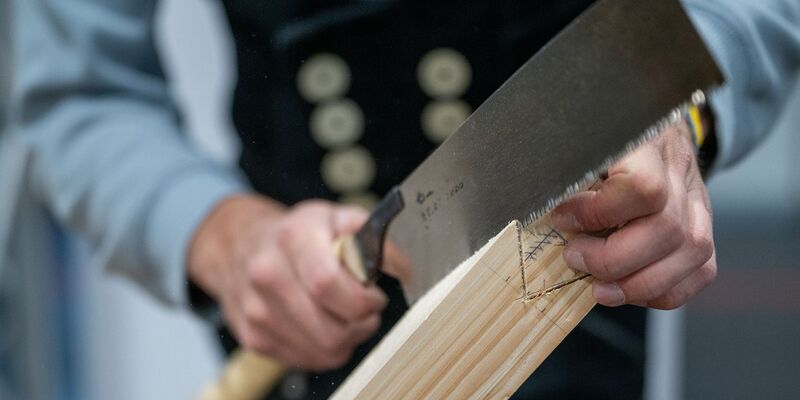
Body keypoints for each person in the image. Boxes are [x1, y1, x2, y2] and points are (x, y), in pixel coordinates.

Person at [1, 0, 798, 398]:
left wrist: (678, 110)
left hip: (584, 315)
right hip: (307, 328)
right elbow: (80, 94)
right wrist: (224, 236)